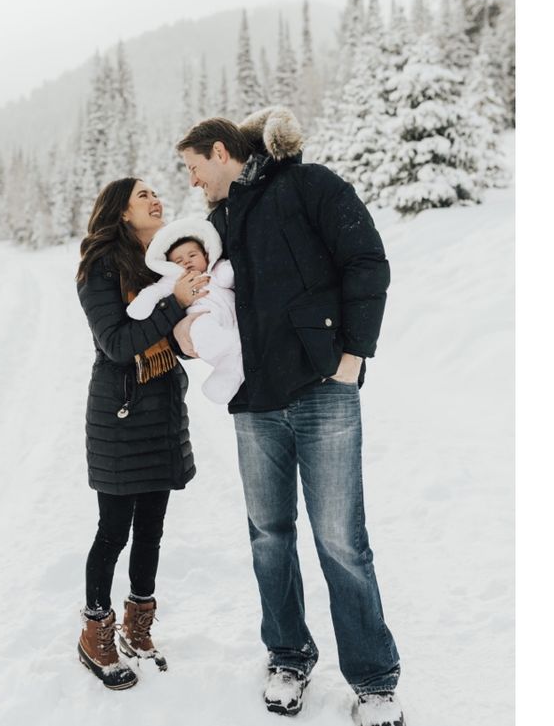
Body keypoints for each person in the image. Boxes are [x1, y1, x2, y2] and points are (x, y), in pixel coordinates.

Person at [174, 107, 405, 726]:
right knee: (268, 535)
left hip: (322, 389)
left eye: (195, 169)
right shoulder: (217, 226)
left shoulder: (309, 185)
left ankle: (375, 679)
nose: (193, 183)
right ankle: (288, 655)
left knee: (340, 539)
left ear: (221, 152)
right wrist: (183, 329)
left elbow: (367, 262)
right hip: (255, 403)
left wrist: (355, 354)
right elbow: (208, 303)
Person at [75, 177, 208, 690]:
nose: (156, 199)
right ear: (120, 212)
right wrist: (174, 302)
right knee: (114, 529)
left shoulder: (160, 262)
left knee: (151, 526)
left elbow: (169, 336)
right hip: (121, 412)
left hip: (161, 408)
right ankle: (95, 629)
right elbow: (116, 342)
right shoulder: (100, 266)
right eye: (143, 196)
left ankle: (137, 625)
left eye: (157, 192)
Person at [126, 216, 243, 404]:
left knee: (234, 349)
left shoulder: (215, 269)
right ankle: (232, 355)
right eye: (179, 260)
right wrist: (144, 301)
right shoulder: (174, 281)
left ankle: (229, 369)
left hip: (237, 320)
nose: (187, 262)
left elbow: (230, 276)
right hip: (204, 319)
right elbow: (156, 291)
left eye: (192, 255)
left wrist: (227, 269)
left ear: (206, 255)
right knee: (200, 328)